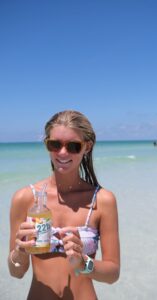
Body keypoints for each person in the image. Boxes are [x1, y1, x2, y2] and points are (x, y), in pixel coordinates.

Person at [8, 110, 120, 300]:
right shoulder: (24, 198)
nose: (62, 152)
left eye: (73, 146)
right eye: (55, 144)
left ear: (87, 147)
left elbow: (112, 273)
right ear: (47, 145)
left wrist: (84, 263)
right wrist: (19, 253)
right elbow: (16, 272)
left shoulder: (102, 200)